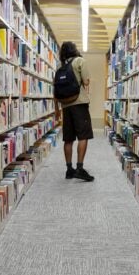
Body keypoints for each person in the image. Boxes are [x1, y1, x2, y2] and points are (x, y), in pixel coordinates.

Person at [55, 41, 94, 182]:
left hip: (65, 106)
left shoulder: (60, 66)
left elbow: (56, 90)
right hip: (79, 104)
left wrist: (56, 110)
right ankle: (79, 168)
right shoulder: (79, 61)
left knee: (68, 138)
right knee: (83, 136)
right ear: (74, 50)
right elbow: (86, 81)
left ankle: (69, 169)